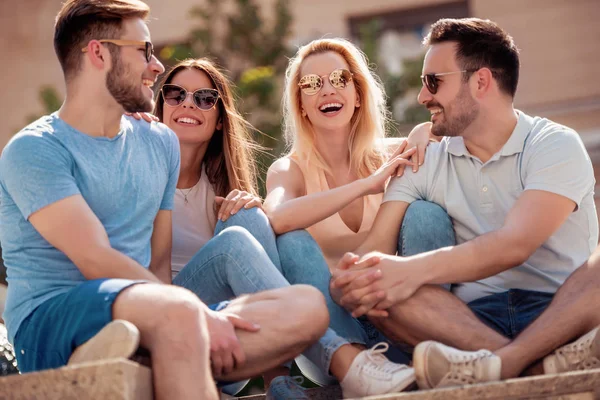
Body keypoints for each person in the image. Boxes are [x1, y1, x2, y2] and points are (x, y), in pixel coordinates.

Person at [0, 2, 328, 399]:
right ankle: (135, 347)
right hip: (52, 322)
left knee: (308, 308)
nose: (156, 66)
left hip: (153, 313)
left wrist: (186, 317)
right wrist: (196, 314)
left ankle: (143, 355)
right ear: (99, 53)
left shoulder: (159, 142)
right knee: (181, 313)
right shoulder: (36, 149)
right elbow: (95, 259)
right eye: (144, 50)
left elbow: (157, 265)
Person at [132, 57, 430, 398]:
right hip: (166, 316)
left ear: (218, 120)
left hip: (230, 338)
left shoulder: (222, 188)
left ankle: (278, 377)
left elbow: (433, 131)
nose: (188, 103)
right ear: (161, 106)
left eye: (204, 98)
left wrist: (421, 131)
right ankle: (347, 361)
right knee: (237, 241)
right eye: (174, 94)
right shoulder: (142, 169)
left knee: (248, 215)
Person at [329, 17, 600, 390]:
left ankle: (504, 364)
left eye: (433, 81)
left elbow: (514, 244)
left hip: (559, 312)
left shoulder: (554, 144)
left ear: (481, 81)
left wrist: (411, 270)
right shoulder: (423, 161)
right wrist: (352, 277)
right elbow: (373, 251)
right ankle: (534, 368)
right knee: (380, 288)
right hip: (467, 325)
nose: (423, 97)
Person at [262, 38, 436, 396]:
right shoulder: (289, 169)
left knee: (426, 214)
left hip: (400, 321)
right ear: (302, 105)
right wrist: (365, 185)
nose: (327, 89)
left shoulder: (392, 155)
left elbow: (439, 136)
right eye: (311, 84)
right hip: (333, 335)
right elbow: (276, 217)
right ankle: (355, 365)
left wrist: (420, 132)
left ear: (358, 95)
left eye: (340, 78)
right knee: (291, 240)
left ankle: (434, 339)